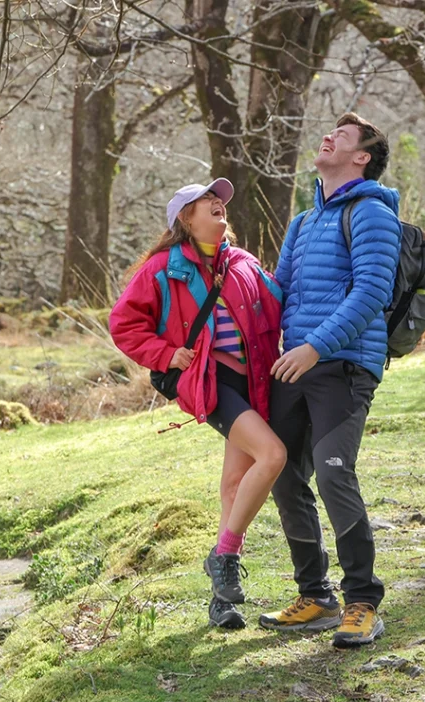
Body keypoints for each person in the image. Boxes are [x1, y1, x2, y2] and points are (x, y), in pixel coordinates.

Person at [110, 178, 287, 630]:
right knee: (272, 455)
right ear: (184, 219)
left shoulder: (244, 263)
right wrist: (167, 354)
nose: (217, 204)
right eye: (205, 202)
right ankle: (224, 556)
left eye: (220, 200)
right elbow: (124, 325)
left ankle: (220, 603)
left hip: (256, 381)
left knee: (233, 484)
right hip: (213, 381)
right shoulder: (162, 269)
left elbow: (280, 305)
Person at [259, 113, 401, 648]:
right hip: (293, 365)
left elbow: (370, 295)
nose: (327, 137)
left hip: (342, 366)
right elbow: (278, 293)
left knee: (334, 474)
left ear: (361, 156)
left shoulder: (371, 214)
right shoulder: (303, 221)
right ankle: (316, 597)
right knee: (279, 471)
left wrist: (315, 347)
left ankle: (362, 602)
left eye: (341, 136)